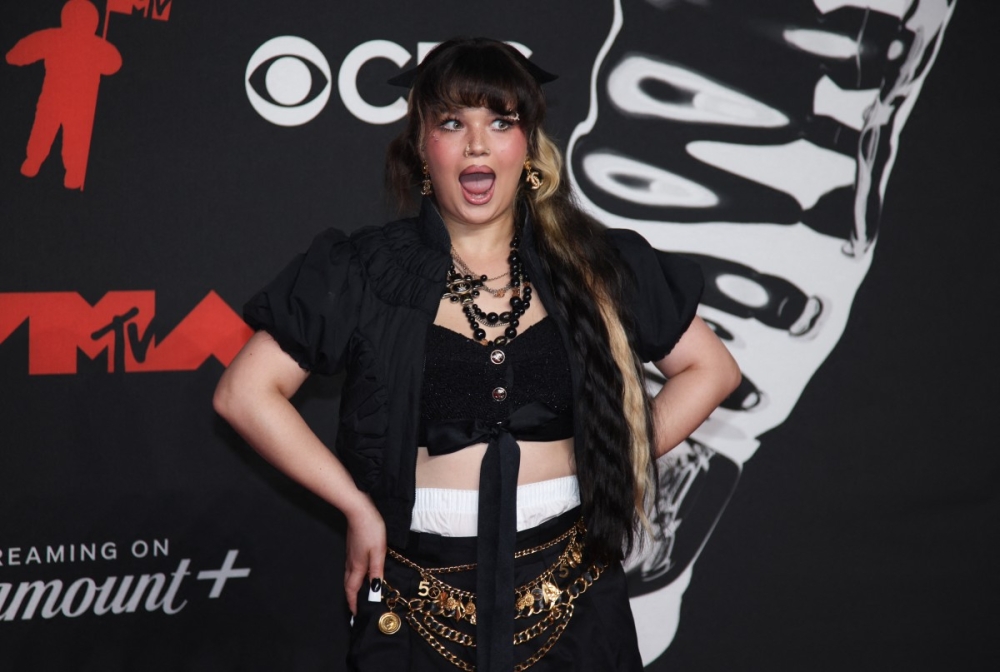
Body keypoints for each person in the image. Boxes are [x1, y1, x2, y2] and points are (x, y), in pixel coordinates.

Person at [213, 37, 740, 672]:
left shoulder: (594, 263)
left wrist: (612, 451)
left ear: (529, 145)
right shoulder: (364, 269)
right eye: (451, 123)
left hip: (574, 604)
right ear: (420, 146)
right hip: (417, 605)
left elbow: (711, 369)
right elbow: (244, 393)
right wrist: (356, 507)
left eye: (500, 122)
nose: (477, 145)